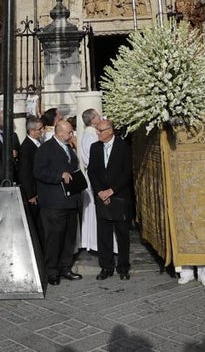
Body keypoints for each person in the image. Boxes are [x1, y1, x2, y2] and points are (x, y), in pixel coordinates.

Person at [34, 119, 82, 285]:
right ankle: (52, 271)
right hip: (54, 202)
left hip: (70, 200)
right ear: (60, 132)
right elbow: (39, 172)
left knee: (69, 237)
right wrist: (59, 176)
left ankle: (65, 267)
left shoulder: (68, 148)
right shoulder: (46, 149)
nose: (71, 135)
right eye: (69, 132)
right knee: (54, 238)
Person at [86, 119, 131, 280]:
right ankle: (106, 266)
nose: (98, 133)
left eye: (101, 130)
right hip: (101, 197)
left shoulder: (123, 146)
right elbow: (92, 171)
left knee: (122, 233)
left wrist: (112, 191)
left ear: (110, 131)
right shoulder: (95, 147)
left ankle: (123, 267)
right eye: (97, 130)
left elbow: (127, 173)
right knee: (103, 233)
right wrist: (100, 192)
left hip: (119, 196)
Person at [78, 108, 101, 253]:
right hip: (95, 176)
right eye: (98, 115)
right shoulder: (92, 136)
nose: (100, 117)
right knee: (94, 210)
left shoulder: (89, 134)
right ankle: (95, 242)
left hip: (92, 175)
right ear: (93, 120)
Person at [18, 117, 44, 243]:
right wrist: (31, 194)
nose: (42, 131)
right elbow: (25, 173)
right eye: (39, 129)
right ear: (32, 131)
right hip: (33, 192)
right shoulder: (26, 148)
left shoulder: (39, 144)